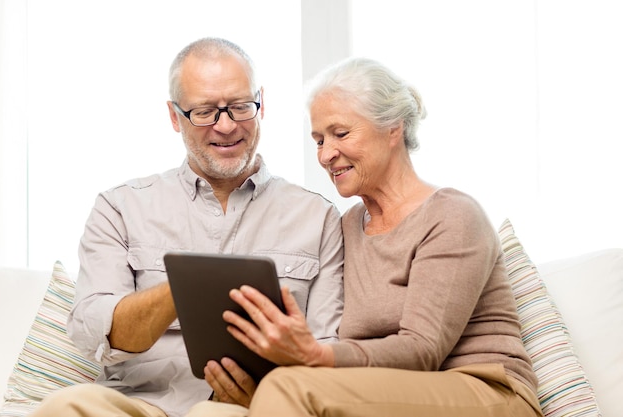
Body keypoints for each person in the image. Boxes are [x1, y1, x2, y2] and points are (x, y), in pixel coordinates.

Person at [200, 57, 545, 417]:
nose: (326, 154)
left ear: (393, 129)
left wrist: (315, 357)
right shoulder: (346, 226)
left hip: (486, 391)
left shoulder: (452, 215)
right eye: (318, 139)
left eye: (341, 133)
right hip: (393, 392)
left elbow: (423, 349)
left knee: (289, 386)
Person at [28, 37, 344, 417]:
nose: (226, 126)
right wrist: (185, 286)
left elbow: (328, 349)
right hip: (139, 402)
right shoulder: (121, 207)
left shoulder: (318, 218)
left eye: (241, 107)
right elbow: (94, 332)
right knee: (64, 405)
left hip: (251, 406)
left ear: (262, 103)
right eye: (205, 111)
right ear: (174, 116)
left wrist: (267, 394)